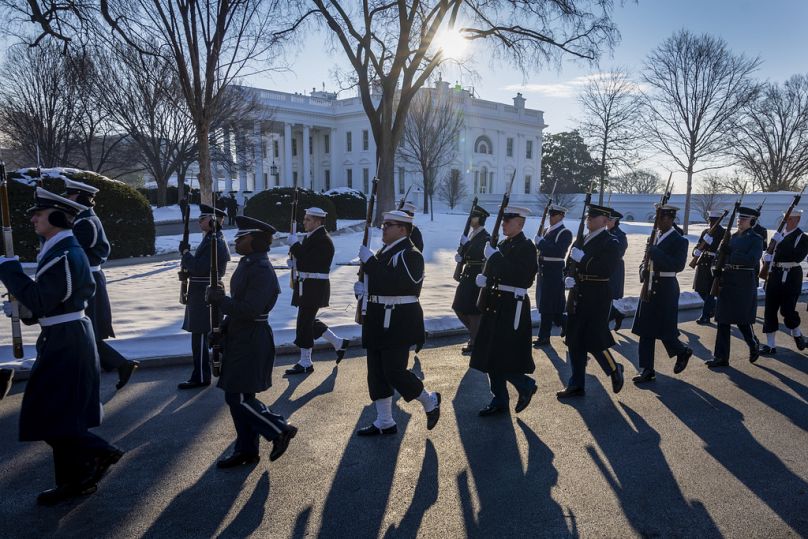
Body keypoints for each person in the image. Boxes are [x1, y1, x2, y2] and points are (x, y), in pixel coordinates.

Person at [0, 188, 123, 506]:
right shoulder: (58, 250)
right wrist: (24, 310)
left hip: (67, 338)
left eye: (38, 214)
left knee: (46, 413)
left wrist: (11, 273)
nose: (32, 219)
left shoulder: (67, 252)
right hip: (62, 334)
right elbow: (47, 301)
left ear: (57, 216)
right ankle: (75, 479)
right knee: (60, 412)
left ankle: (98, 451)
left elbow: (42, 298)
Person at [206, 216, 297, 467]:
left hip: (251, 337)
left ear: (255, 241)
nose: (236, 241)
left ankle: (279, 429)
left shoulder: (261, 270)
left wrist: (220, 301)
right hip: (240, 334)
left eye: (242, 237)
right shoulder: (248, 263)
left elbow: (250, 309)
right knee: (237, 396)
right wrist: (222, 328)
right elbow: (239, 307)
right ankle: (246, 450)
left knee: (239, 398)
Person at [354, 210, 440, 435]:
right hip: (376, 316)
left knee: (394, 371)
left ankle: (429, 400)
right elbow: (379, 280)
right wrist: (363, 288)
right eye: (383, 225)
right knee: (376, 372)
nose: (383, 228)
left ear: (403, 229)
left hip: (399, 320)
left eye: (388, 225)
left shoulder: (412, 254)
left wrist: (370, 263)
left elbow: (400, 284)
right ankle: (385, 421)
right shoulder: (385, 252)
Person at [62, 179, 139, 390]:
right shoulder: (84, 219)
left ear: (78, 196)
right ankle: (112, 365)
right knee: (86, 330)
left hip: (89, 279)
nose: (67, 197)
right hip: (90, 278)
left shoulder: (85, 222)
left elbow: (74, 251)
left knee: (87, 331)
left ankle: (119, 364)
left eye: (69, 194)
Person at [471, 206, 539, 416]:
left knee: (504, 353)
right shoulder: (502, 244)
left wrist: (495, 259)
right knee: (490, 353)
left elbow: (522, 277)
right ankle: (499, 398)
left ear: (520, 223)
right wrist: (486, 277)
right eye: (504, 220)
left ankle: (524, 384)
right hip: (495, 302)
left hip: (512, 305)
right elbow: (498, 272)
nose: (504, 224)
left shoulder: (527, 247)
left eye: (508, 221)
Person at [557, 204, 625, 398]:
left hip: (597, 294)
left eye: (594, 217)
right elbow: (569, 263)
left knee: (594, 339)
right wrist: (567, 276)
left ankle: (614, 369)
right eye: (588, 217)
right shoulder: (581, 239)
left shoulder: (611, 242)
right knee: (574, 340)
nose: (589, 220)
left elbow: (606, 269)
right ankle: (576, 383)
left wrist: (584, 259)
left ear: (605, 221)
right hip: (578, 293)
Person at [631, 205, 694, 382]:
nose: (656, 222)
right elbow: (645, 260)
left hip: (666, 287)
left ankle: (682, 351)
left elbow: (677, 265)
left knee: (665, 330)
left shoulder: (680, 240)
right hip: (650, 285)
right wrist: (643, 270)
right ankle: (646, 369)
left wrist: (656, 252)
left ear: (669, 218)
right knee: (646, 329)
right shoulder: (655, 237)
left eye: (660, 218)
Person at [285, 207, 349, 375]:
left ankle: (306, 362)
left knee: (304, 323)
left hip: (314, 287)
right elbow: (305, 260)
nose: (304, 222)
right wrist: (295, 263)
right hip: (306, 285)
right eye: (305, 219)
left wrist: (295, 247)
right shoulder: (312, 237)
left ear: (318, 221)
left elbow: (309, 262)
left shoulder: (323, 240)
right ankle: (338, 343)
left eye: (308, 219)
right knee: (308, 321)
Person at [178, 203, 231, 389]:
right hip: (201, 290)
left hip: (204, 292)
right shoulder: (210, 238)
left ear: (213, 220)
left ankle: (201, 376)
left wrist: (185, 254)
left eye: (203, 218)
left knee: (200, 335)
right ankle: (205, 372)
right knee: (201, 335)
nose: (199, 221)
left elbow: (200, 268)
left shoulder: (214, 240)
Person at [707, 207, 764, 368]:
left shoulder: (756, 239)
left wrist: (732, 253)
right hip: (727, 280)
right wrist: (715, 269)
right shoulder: (731, 237)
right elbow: (718, 256)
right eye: (739, 218)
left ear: (752, 221)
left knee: (742, 320)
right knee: (723, 320)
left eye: (744, 219)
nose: (740, 221)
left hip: (743, 282)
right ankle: (721, 357)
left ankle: (753, 343)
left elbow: (752, 260)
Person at [760, 210, 808, 355]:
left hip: (791, 275)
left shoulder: (803, 237)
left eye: (790, 219)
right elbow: (770, 253)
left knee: (787, 310)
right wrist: (766, 257)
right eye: (785, 219)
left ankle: (797, 333)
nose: (786, 222)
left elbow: (797, 257)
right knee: (770, 310)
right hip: (774, 274)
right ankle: (770, 345)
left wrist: (782, 242)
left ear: (797, 220)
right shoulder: (778, 235)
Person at [451, 206, 491, 355]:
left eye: (474, 217)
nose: (470, 219)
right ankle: (478, 335)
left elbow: (480, 253)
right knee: (458, 307)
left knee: (473, 312)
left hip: (476, 276)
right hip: (467, 275)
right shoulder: (472, 234)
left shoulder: (486, 237)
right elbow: (467, 253)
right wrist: (460, 258)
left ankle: (474, 340)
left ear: (480, 219)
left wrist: (466, 246)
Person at [532, 204, 572, 347]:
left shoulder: (564, 232)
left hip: (554, 271)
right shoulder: (546, 230)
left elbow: (558, 251)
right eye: (550, 215)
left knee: (548, 306)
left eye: (554, 215)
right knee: (547, 305)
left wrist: (541, 243)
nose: (551, 217)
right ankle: (566, 324)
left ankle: (544, 337)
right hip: (543, 270)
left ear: (561, 216)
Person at [692, 210, 726, 325]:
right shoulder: (705, 231)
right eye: (710, 220)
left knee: (710, 291)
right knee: (699, 289)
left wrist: (713, 245)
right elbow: (698, 244)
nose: (711, 223)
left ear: (718, 221)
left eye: (713, 221)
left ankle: (705, 316)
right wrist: (695, 251)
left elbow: (724, 250)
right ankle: (715, 307)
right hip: (702, 262)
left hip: (714, 264)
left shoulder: (724, 233)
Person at [606, 210, 628, 330]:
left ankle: (605, 323)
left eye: (609, 219)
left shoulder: (620, 235)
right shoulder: (604, 233)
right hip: (605, 268)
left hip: (615, 269)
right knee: (605, 296)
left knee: (611, 295)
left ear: (615, 221)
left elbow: (618, 252)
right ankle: (617, 314)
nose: (607, 222)